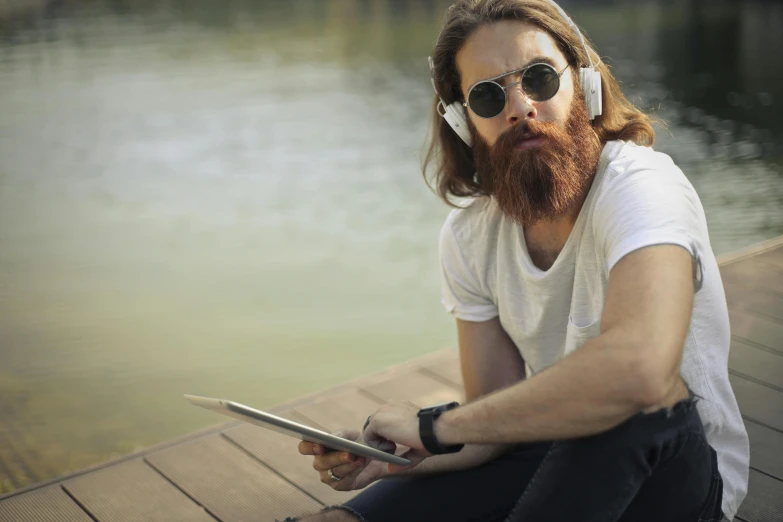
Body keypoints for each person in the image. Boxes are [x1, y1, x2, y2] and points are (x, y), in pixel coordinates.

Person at [283, 0, 750, 520]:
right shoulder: (470, 236)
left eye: (540, 78)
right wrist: (399, 457)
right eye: (486, 95)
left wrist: (432, 427)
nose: (519, 106)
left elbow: (640, 373)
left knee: (628, 398)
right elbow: (491, 434)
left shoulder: (642, 186)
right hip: (562, 456)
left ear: (585, 85)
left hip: (681, 485)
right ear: (464, 122)